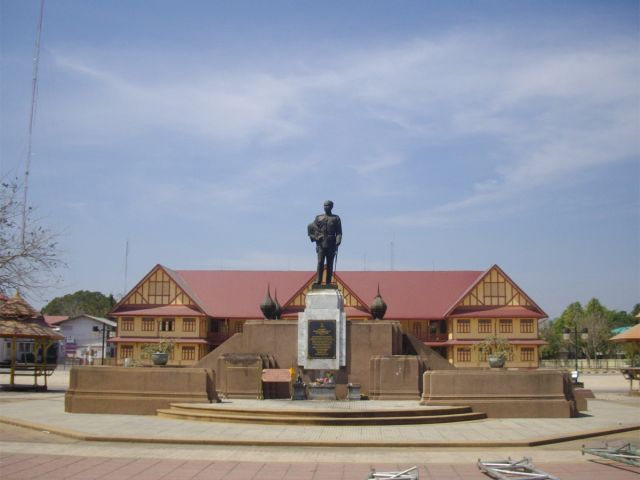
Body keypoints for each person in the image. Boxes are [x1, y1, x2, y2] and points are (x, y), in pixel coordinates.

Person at [308, 200, 342, 285]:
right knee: (320, 262)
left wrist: (338, 241)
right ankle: (318, 280)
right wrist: (314, 237)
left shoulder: (336, 218)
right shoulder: (318, 217)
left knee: (330, 263)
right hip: (321, 243)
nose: (326, 207)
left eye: (327, 206)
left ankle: (328, 282)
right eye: (324, 205)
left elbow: (339, 232)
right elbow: (312, 227)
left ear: (331, 207)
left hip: (331, 243)